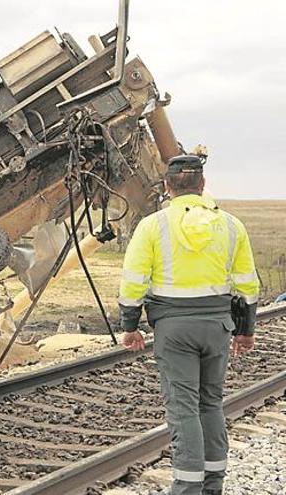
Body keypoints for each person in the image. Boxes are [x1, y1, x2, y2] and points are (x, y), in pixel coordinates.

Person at [119, 154, 259, 495]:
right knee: (210, 402)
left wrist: (130, 325)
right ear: (203, 185)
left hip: (174, 328)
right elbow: (247, 283)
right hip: (217, 327)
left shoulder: (152, 226)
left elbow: (134, 280)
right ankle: (213, 485)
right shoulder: (230, 225)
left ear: (168, 187)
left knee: (182, 408)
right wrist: (246, 330)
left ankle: (187, 488)